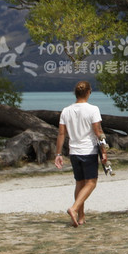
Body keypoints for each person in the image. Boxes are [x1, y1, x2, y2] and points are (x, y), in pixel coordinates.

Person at [54, 81, 107, 227]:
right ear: (89, 92)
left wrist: (58, 153)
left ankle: (81, 217)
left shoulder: (66, 110)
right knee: (91, 183)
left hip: (74, 152)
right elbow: (98, 132)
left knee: (79, 183)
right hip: (88, 151)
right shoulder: (93, 109)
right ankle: (74, 208)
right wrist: (104, 151)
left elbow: (61, 133)